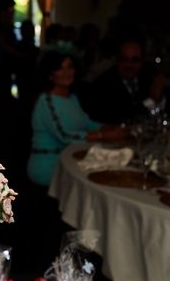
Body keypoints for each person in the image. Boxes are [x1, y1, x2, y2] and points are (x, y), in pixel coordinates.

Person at [27, 51, 129, 187]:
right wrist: (103, 135)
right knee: (99, 180)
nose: (67, 72)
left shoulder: (72, 98)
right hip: (49, 166)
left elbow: (86, 123)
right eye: (60, 68)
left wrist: (112, 128)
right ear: (50, 74)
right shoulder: (46, 101)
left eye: (70, 67)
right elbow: (64, 135)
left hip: (71, 160)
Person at [82, 38, 165, 124]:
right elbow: (127, 117)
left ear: (142, 62)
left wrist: (159, 97)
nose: (129, 65)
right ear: (117, 60)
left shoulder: (148, 77)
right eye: (124, 59)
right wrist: (152, 100)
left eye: (135, 60)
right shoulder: (103, 85)